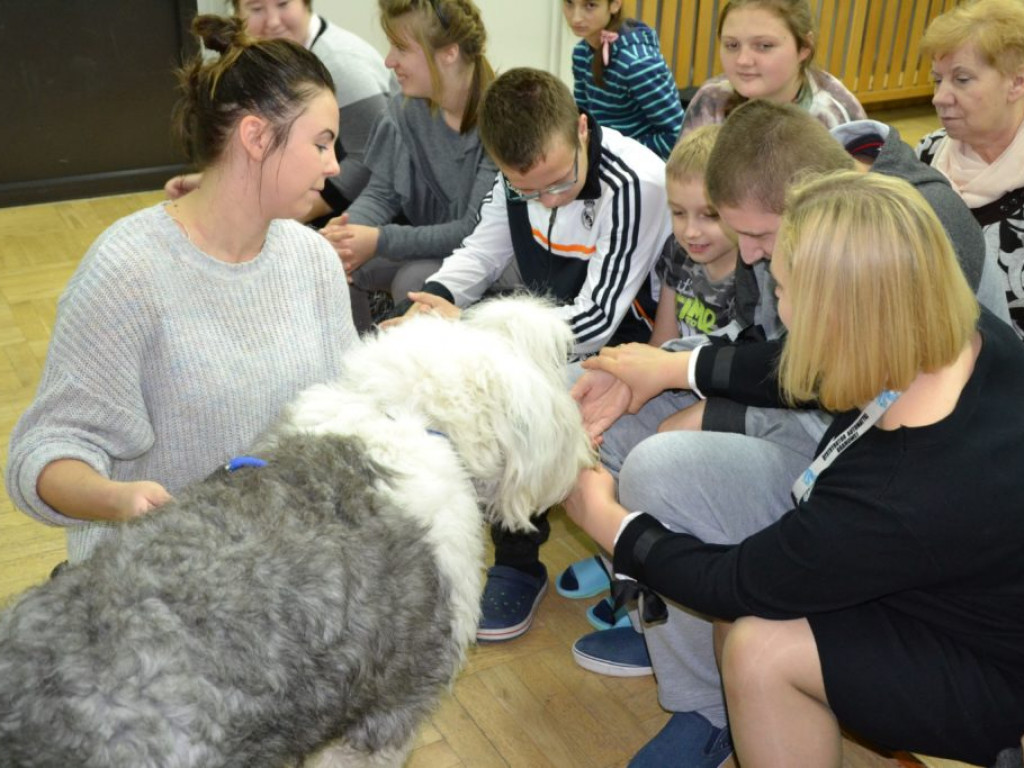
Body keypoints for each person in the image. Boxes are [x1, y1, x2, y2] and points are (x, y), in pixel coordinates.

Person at [564, 99, 1009, 765]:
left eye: (786, 287)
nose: (782, 307)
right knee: (749, 621)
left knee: (756, 641)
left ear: (840, 316)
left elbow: (735, 584)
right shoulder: (954, 331)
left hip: (991, 671)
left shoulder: (895, 493)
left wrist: (606, 522)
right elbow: (796, 369)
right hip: (953, 589)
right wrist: (673, 367)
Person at [5, 15, 359, 565]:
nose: (333, 165)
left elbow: (346, 412)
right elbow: (43, 455)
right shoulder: (128, 270)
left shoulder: (312, 259)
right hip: (156, 593)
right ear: (257, 137)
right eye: (321, 143)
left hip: (281, 575)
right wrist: (117, 500)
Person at [393, 66, 669, 642]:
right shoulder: (519, 177)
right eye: (528, 190)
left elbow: (601, 317)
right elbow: (481, 251)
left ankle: (518, 561)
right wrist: (435, 300)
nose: (545, 198)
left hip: (621, 345)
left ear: (583, 131)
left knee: (513, 405)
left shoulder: (637, 182)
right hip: (544, 326)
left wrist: (466, 330)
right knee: (452, 373)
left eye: (558, 183)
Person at [559, 124, 739, 632]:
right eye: (679, 213)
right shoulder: (679, 255)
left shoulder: (753, 272)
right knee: (585, 418)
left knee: (643, 453)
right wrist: (624, 381)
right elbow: (660, 343)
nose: (692, 230)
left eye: (709, 214)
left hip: (719, 401)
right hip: (671, 380)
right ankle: (616, 552)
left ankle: (643, 587)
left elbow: (741, 376)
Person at [319, 0, 499, 331]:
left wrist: (378, 240)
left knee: (413, 281)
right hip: (426, 248)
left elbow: (470, 231)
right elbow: (381, 194)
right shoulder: (405, 111)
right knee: (333, 267)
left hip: (489, 264)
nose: (389, 61)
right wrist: (342, 237)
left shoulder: (499, 122)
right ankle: (356, 365)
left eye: (401, 48)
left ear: (449, 53)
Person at [165, 0, 395, 224]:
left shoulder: (343, 66)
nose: (273, 22)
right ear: (236, 12)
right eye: (256, 8)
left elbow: (371, 158)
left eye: (283, 4)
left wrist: (283, 220)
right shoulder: (267, 64)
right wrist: (216, 181)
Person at [915, 0, 1024, 339]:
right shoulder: (926, 154)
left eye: (961, 79)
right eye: (937, 80)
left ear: (1016, 84)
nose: (939, 97)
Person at [679, 0, 866, 136]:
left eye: (764, 46)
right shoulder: (711, 100)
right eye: (732, 45)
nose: (743, 60)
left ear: (804, 48)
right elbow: (683, 181)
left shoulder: (833, 119)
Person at [562, 0, 684, 159]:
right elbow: (584, 119)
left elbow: (678, 137)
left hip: (641, 169)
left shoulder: (638, 63)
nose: (576, 17)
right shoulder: (581, 52)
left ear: (615, 5)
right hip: (604, 160)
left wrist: (617, 150)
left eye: (590, 5)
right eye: (569, 3)